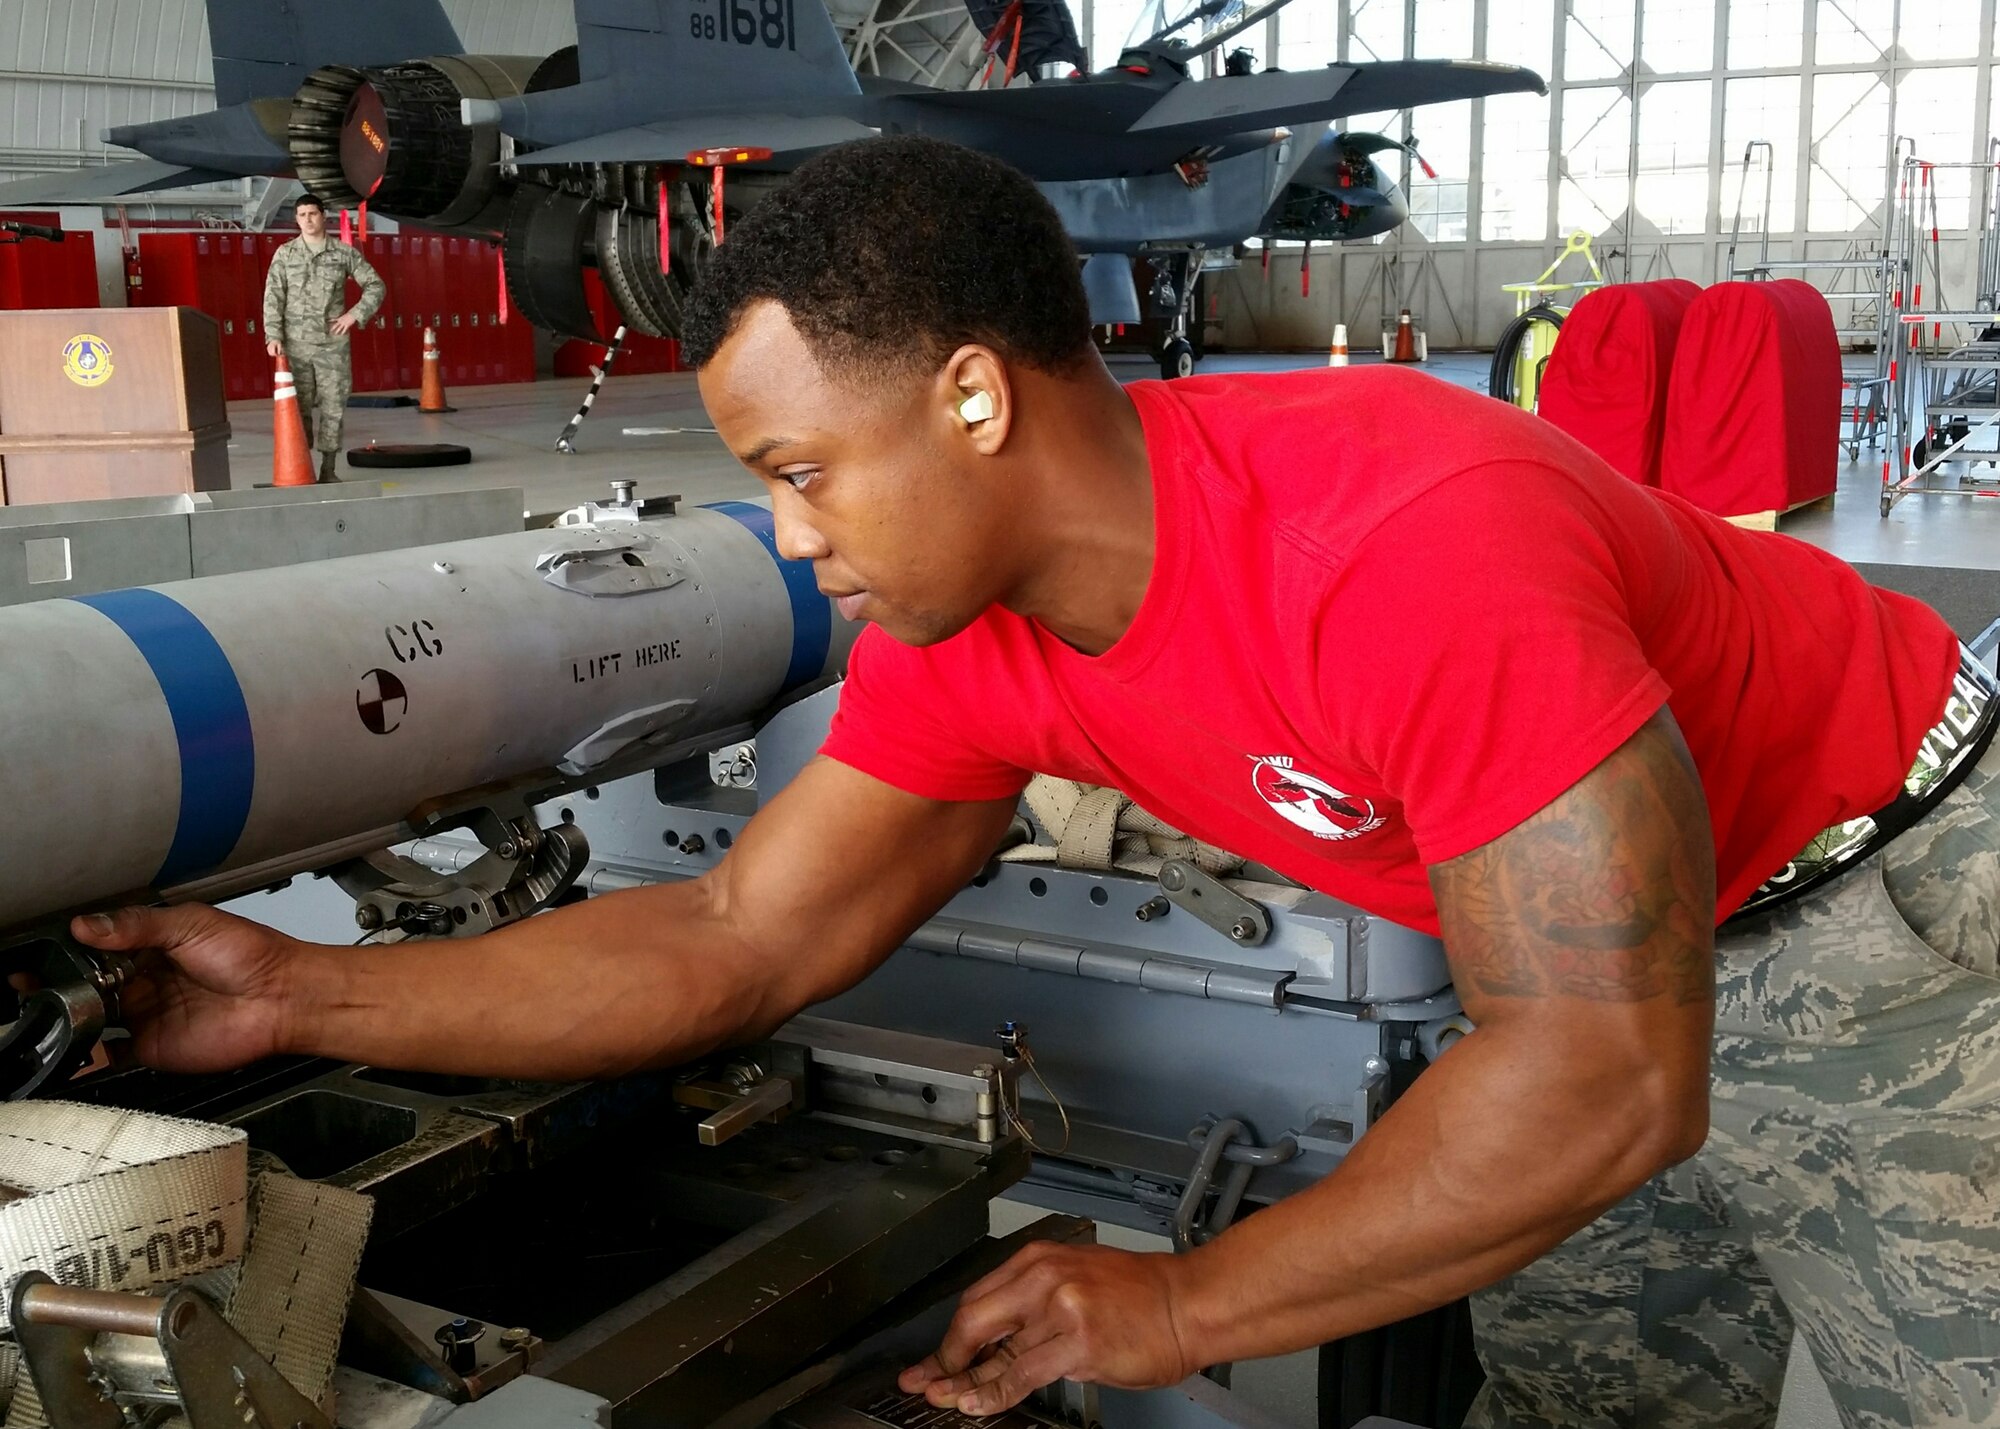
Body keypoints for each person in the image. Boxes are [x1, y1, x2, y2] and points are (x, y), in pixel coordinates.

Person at [80, 138, 1998, 1428]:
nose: (789, 532)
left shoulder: (1402, 541)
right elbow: (743, 932)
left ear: (976, 398)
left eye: (803, 466)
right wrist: (302, 987)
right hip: (1606, 988)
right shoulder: (965, 633)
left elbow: (1598, 1073)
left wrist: (1171, 1305)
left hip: (1890, 918)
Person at [261, 192, 386, 483]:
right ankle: (299, 465)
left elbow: (376, 285)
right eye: (302, 215)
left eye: (313, 214)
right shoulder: (286, 254)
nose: (308, 220)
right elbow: (273, 296)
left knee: (333, 408)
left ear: (323, 217)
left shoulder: (343, 253)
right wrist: (272, 335)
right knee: (297, 408)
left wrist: (353, 316)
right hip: (296, 345)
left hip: (332, 347)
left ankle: (328, 469)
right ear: (296, 219)